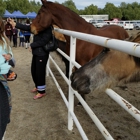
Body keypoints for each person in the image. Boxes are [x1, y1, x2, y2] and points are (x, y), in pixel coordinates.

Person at [8, 18, 52, 99]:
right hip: (36, 53)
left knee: (40, 72)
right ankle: (38, 86)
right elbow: (27, 27)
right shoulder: (39, 25)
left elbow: (44, 41)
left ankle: (42, 91)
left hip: (42, 53)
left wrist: (32, 45)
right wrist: (15, 24)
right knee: (34, 71)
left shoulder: (48, 28)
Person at [0, 17, 13, 138]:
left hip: (2, 74)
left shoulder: (4, 40)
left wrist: (9, 56)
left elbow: (11, 53)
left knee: (5, 99)